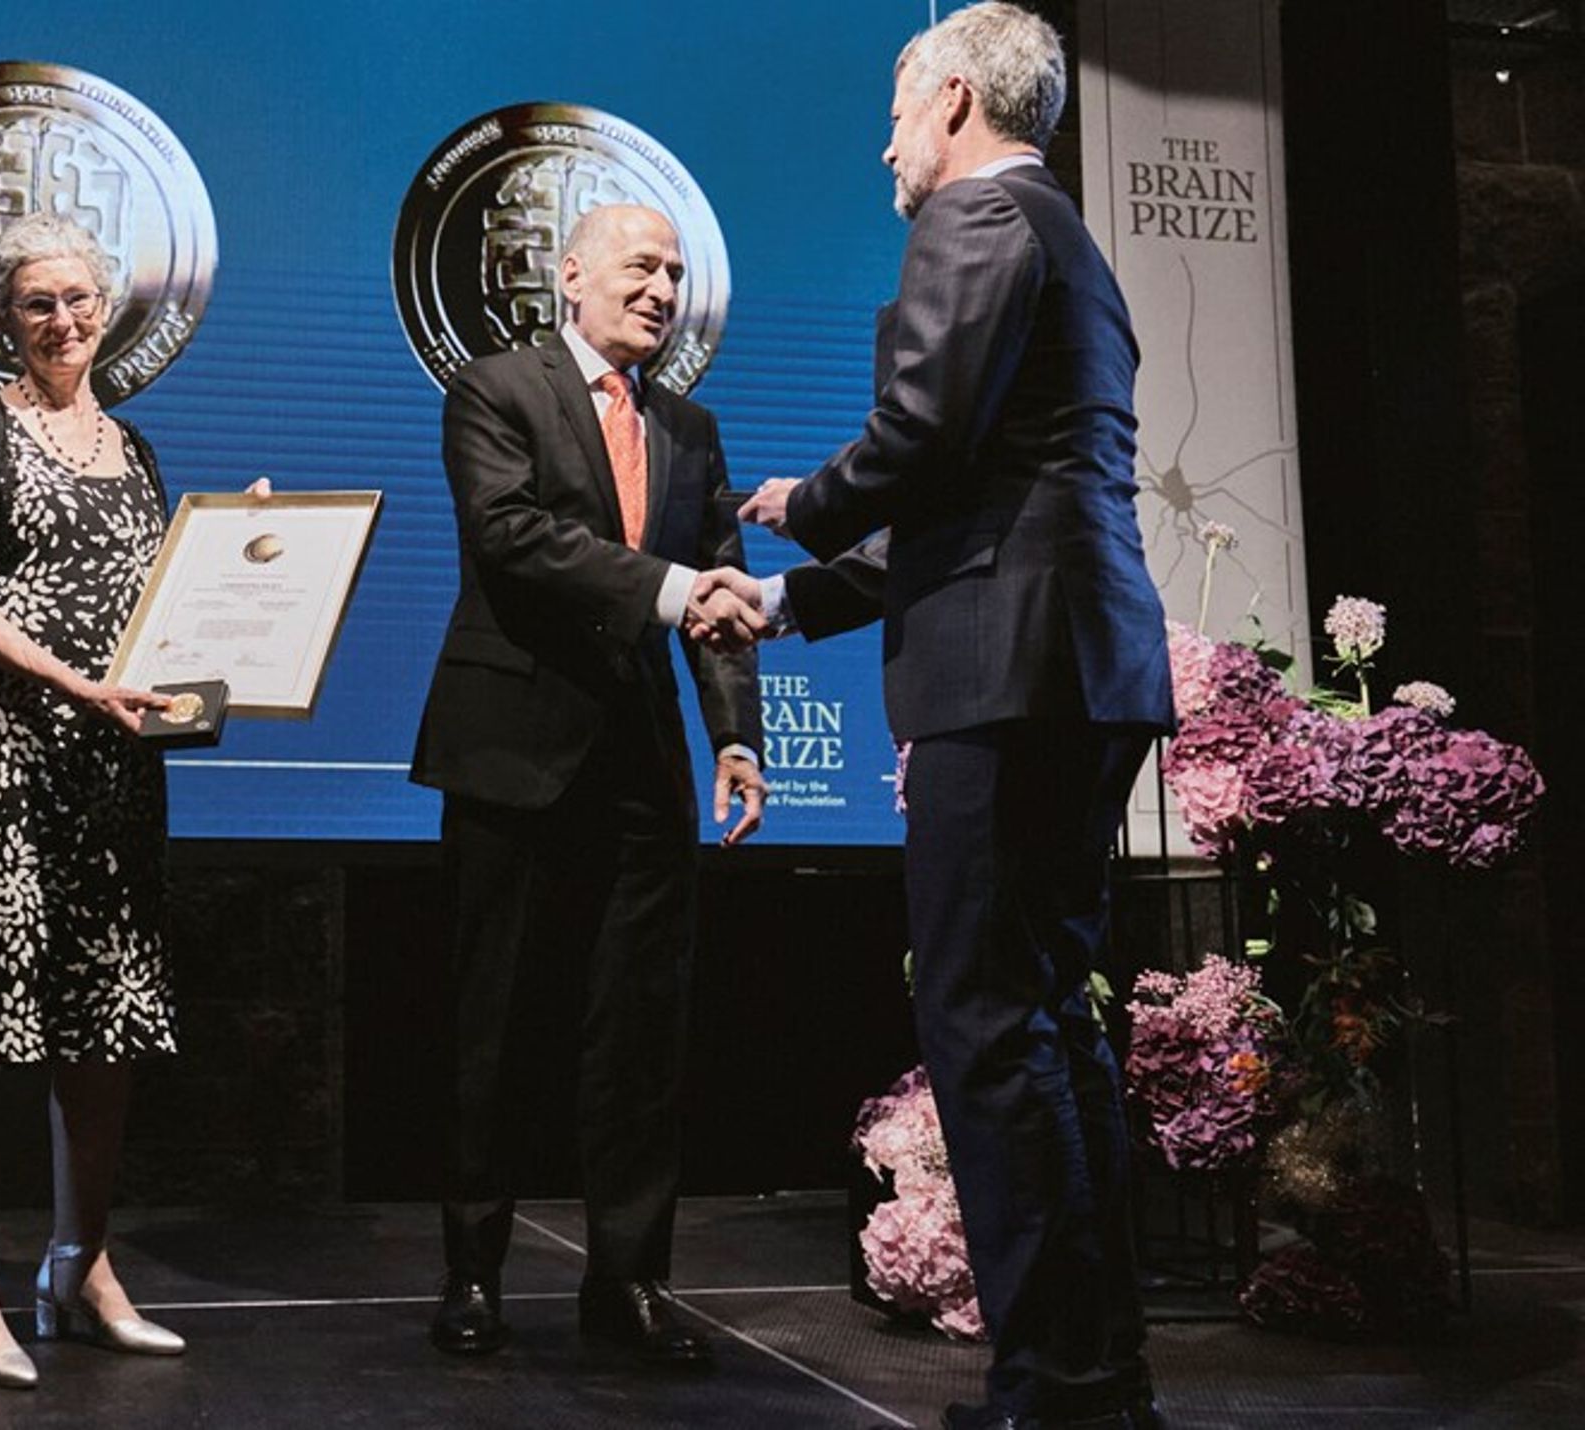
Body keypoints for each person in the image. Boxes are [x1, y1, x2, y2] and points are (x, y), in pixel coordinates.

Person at [733, 6, 1174, 1427]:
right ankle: (1093, 1378)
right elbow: (980, 491)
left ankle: (1054, 1388)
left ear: (960, 101)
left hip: (1008, 671)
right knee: (1044, 1019)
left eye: (898, 107)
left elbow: (918, 440)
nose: (885, 142)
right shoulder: (1063, 240)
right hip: (1070, 657)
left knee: (988, 1022)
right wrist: (797, 599)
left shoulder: (978, 217)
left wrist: (806, 501)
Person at [411, 203, 768, 1367]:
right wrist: (672, 589)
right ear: (571, 274)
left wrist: (734, 736)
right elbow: (511, 535)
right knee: (493, 1024)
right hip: (510, 749)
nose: (662, 289)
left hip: (640, 761)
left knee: (639, 1038)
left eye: (676, 273)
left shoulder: (691, 426)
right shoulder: (495, 389)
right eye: (640, 266)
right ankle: (471, 1273)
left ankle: (629, 1281)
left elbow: (724, 589)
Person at [0, 212, 243, 1389]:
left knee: (107, 1014)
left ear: (109, 310)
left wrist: (246, 549)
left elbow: (161, 602)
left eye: (79, 299)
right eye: (38, 302)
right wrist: (67, 681)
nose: (63, 320)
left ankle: (81, 1261)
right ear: (6, 318)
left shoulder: (137, 449)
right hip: (6, 750)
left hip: (115, 765)